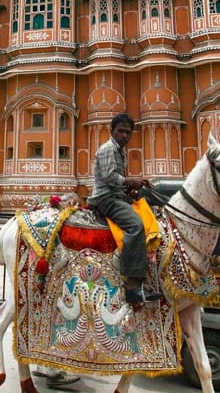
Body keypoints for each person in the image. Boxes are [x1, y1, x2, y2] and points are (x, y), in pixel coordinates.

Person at [87, 113, 162, 306]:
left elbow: (118, 181)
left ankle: (146, 275)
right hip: (105, 198)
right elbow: (110, 178)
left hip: (116, 196)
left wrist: (134, 186)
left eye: (128, 132)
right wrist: (130, 180)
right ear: (111, 131)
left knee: (149, 216)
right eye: (120, 131)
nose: (124, 135)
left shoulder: (119, 151)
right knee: (135, 225)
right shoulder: (108, 149)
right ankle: (132, 286)